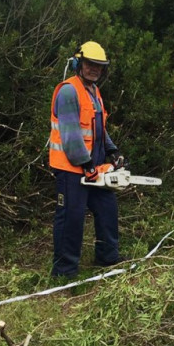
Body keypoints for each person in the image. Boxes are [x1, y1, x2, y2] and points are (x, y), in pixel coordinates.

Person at [49, 41, 125, 277]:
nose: (94, 69)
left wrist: (112, 151)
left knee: (107, 209)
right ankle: (64, 272)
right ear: (78, 64)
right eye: (90, 64)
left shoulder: (94, 92)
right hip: (72, 169)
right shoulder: (69, 91)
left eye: (99, 66)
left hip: (94, 167)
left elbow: (98, 128)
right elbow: (71, 135)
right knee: (71, 218)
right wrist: (86, 165)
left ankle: (107, 257)